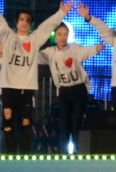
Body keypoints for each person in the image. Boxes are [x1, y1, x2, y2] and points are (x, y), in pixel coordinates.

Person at [0, 0, 71, 154]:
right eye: (21, 19)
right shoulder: (8, 37)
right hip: (8, 86)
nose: (24, 23)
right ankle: (10, 155)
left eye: (28, 20)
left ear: (31, 24)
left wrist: (61, 13)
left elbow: (47, 26)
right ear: (16, 22)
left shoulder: (34, 39)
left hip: (27, 87)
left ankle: (24, 156)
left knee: (25, 121)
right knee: (8, 120)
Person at [40, 15, 106, 152]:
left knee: (76, 125)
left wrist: (96, 48)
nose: (63, 37)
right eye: (60, 34)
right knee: (64, 126)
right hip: (64, 91)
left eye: (65, 34)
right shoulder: (50, 52)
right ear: (54, 36)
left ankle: (77, 154)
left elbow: (85, 51)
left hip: (79, 90)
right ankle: (64, 155)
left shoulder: (74, 48)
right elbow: (36, 56)